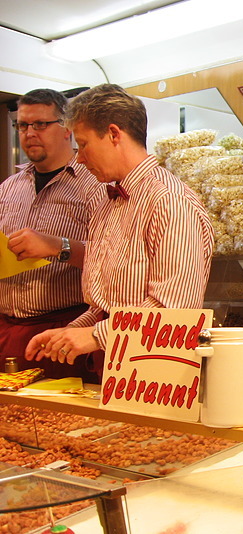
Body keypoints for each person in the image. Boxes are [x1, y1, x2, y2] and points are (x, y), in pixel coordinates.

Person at [24, 84, 214, 379]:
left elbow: (174, 312)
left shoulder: (169, 202)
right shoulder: (106, 200)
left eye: (84, 145)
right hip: (110, 366)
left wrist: (95, 336)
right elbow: (105, 305)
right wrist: (71, 331)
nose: (79, 159)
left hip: (153, 373)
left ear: (114, 134)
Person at [0, 88, 105, 382]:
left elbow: (113, 259)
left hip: (66, 327)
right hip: (8, 329)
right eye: (22, 125)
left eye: (40, 124)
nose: (29, 133)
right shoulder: (9, 187)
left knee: (62, 423)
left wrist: (56, 246)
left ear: (66, 128)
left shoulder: (95, 181)